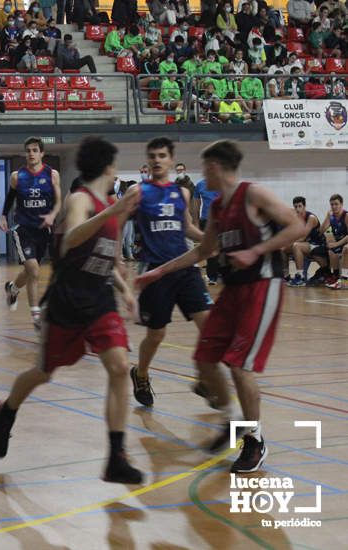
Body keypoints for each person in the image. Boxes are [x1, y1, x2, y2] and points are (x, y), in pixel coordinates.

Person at [136, 140, 305, 472]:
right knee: (205, 358)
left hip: (262, 284)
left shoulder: (253, 194)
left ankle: (254, 440)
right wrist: (159, 270)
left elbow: (297, 226)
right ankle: (232, 421)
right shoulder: (216, 209)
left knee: (239, 365)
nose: (201, 174)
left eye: (203, 168)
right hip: (233, 289)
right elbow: (202, 252)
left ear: (214, 167)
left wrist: (257, 251)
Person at [0, 137, 144, 485]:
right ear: (108, 167)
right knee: (43, 372)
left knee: (119, 367)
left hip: (100, 298)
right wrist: (112, 211)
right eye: (115, 165)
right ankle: (6, 411)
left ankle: (115, 456)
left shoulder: (109, 206)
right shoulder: (80, 200)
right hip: (69, 298)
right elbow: (73, 236)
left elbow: (110, 258)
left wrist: (125, 290)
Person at [129, 137, 210, 408]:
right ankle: (140, 374)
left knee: (208, 326)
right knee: (156, 335)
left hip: (186, 268)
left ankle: (205, 379)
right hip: (156, 272)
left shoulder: (181, 193)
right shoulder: (139, 193)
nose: (156, 160)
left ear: (171, 160)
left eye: (162, 155)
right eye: (152, 155)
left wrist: (209, 240)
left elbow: (186, 226)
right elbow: (117, 224)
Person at [1, 136, 61, 330]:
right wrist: (2, 216)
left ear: (42, 153)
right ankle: (36, 315)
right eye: (28, 150)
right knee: (34, 270)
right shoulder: (17, 176)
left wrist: (52, 215)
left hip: (44, 228)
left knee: (29, 271)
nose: (31, 154)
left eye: (35, 150)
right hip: (23, 228)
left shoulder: (52, 174)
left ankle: (13, 288)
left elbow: (59, 201)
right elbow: (10, 199)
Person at [288, 196, 328, 286]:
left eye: (299, 206)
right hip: (307, 245)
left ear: (304, 206)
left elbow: (302, 237)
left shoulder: (311, 218)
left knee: (296, 246)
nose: (297, 209)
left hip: (318, 245)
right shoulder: (296, 218)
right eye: (295, 207)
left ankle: (300, 277)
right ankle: (286, 276)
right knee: (283, 249)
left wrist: (289, 242)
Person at [195, 175, 220, 284]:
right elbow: (196, 204)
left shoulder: (222, 182)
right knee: (210, 248)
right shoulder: (200, 185)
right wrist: (196, 221)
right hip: (206, 220)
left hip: (221, 219)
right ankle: (212, 276)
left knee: (223, 246)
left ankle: (221, 273)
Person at [320, 194, 348, 289]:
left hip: (345, 243)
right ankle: (335, 277)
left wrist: (336, 244)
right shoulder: (331, 216)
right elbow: (321, 230)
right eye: (332, 204)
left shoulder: (346, 216)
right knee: (331, 251)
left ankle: (345, 280)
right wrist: (327, 216)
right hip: (340, 242)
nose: (334, 206)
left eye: (336, 204)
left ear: (341, 204)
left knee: (345, 248)